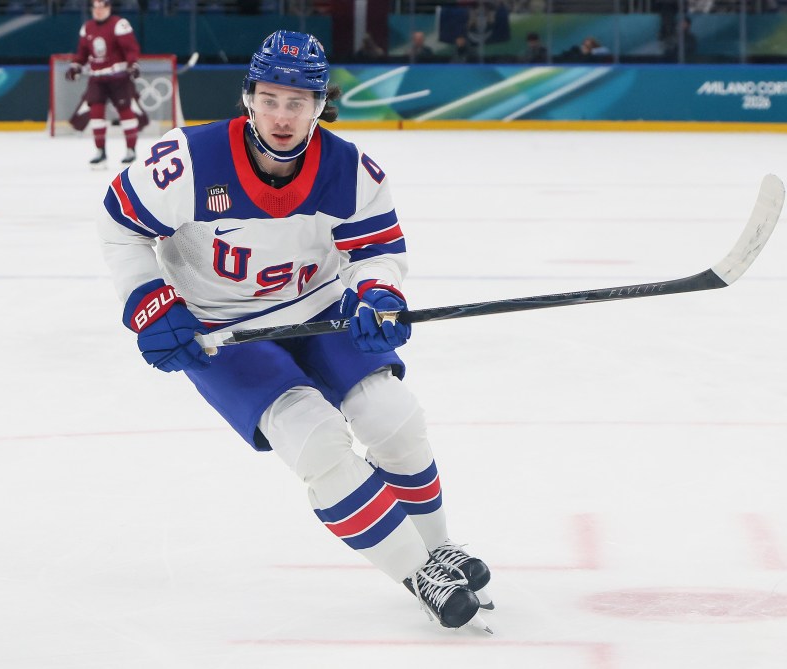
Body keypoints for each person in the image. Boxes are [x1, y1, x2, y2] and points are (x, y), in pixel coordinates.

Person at [96, 30, 494, 632]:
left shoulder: (351, 170)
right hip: (224, 328)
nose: (283, 116)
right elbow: (119, 223)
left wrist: (378, 293)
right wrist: (149, 300)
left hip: (318, 306)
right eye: (271, 99)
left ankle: (438, 546)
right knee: (315, 442)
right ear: (249, 98)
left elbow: (377, 250)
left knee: (392, 415)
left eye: (299, 102)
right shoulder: (188, 164)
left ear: (320, 106)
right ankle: (419, 574)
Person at [65, 0, 142, 168]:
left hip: (118, 77)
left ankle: (131, 150)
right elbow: (83, 54)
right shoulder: (87, 28)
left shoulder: (119, 25)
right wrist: (76, 66)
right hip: (97, 78)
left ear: (109, 8)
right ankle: (100, 151)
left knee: (125, 112)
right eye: (96, 7)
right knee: (96, 114)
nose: (98, 10)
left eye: (102, 6)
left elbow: (131, 49)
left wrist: (133, 64)